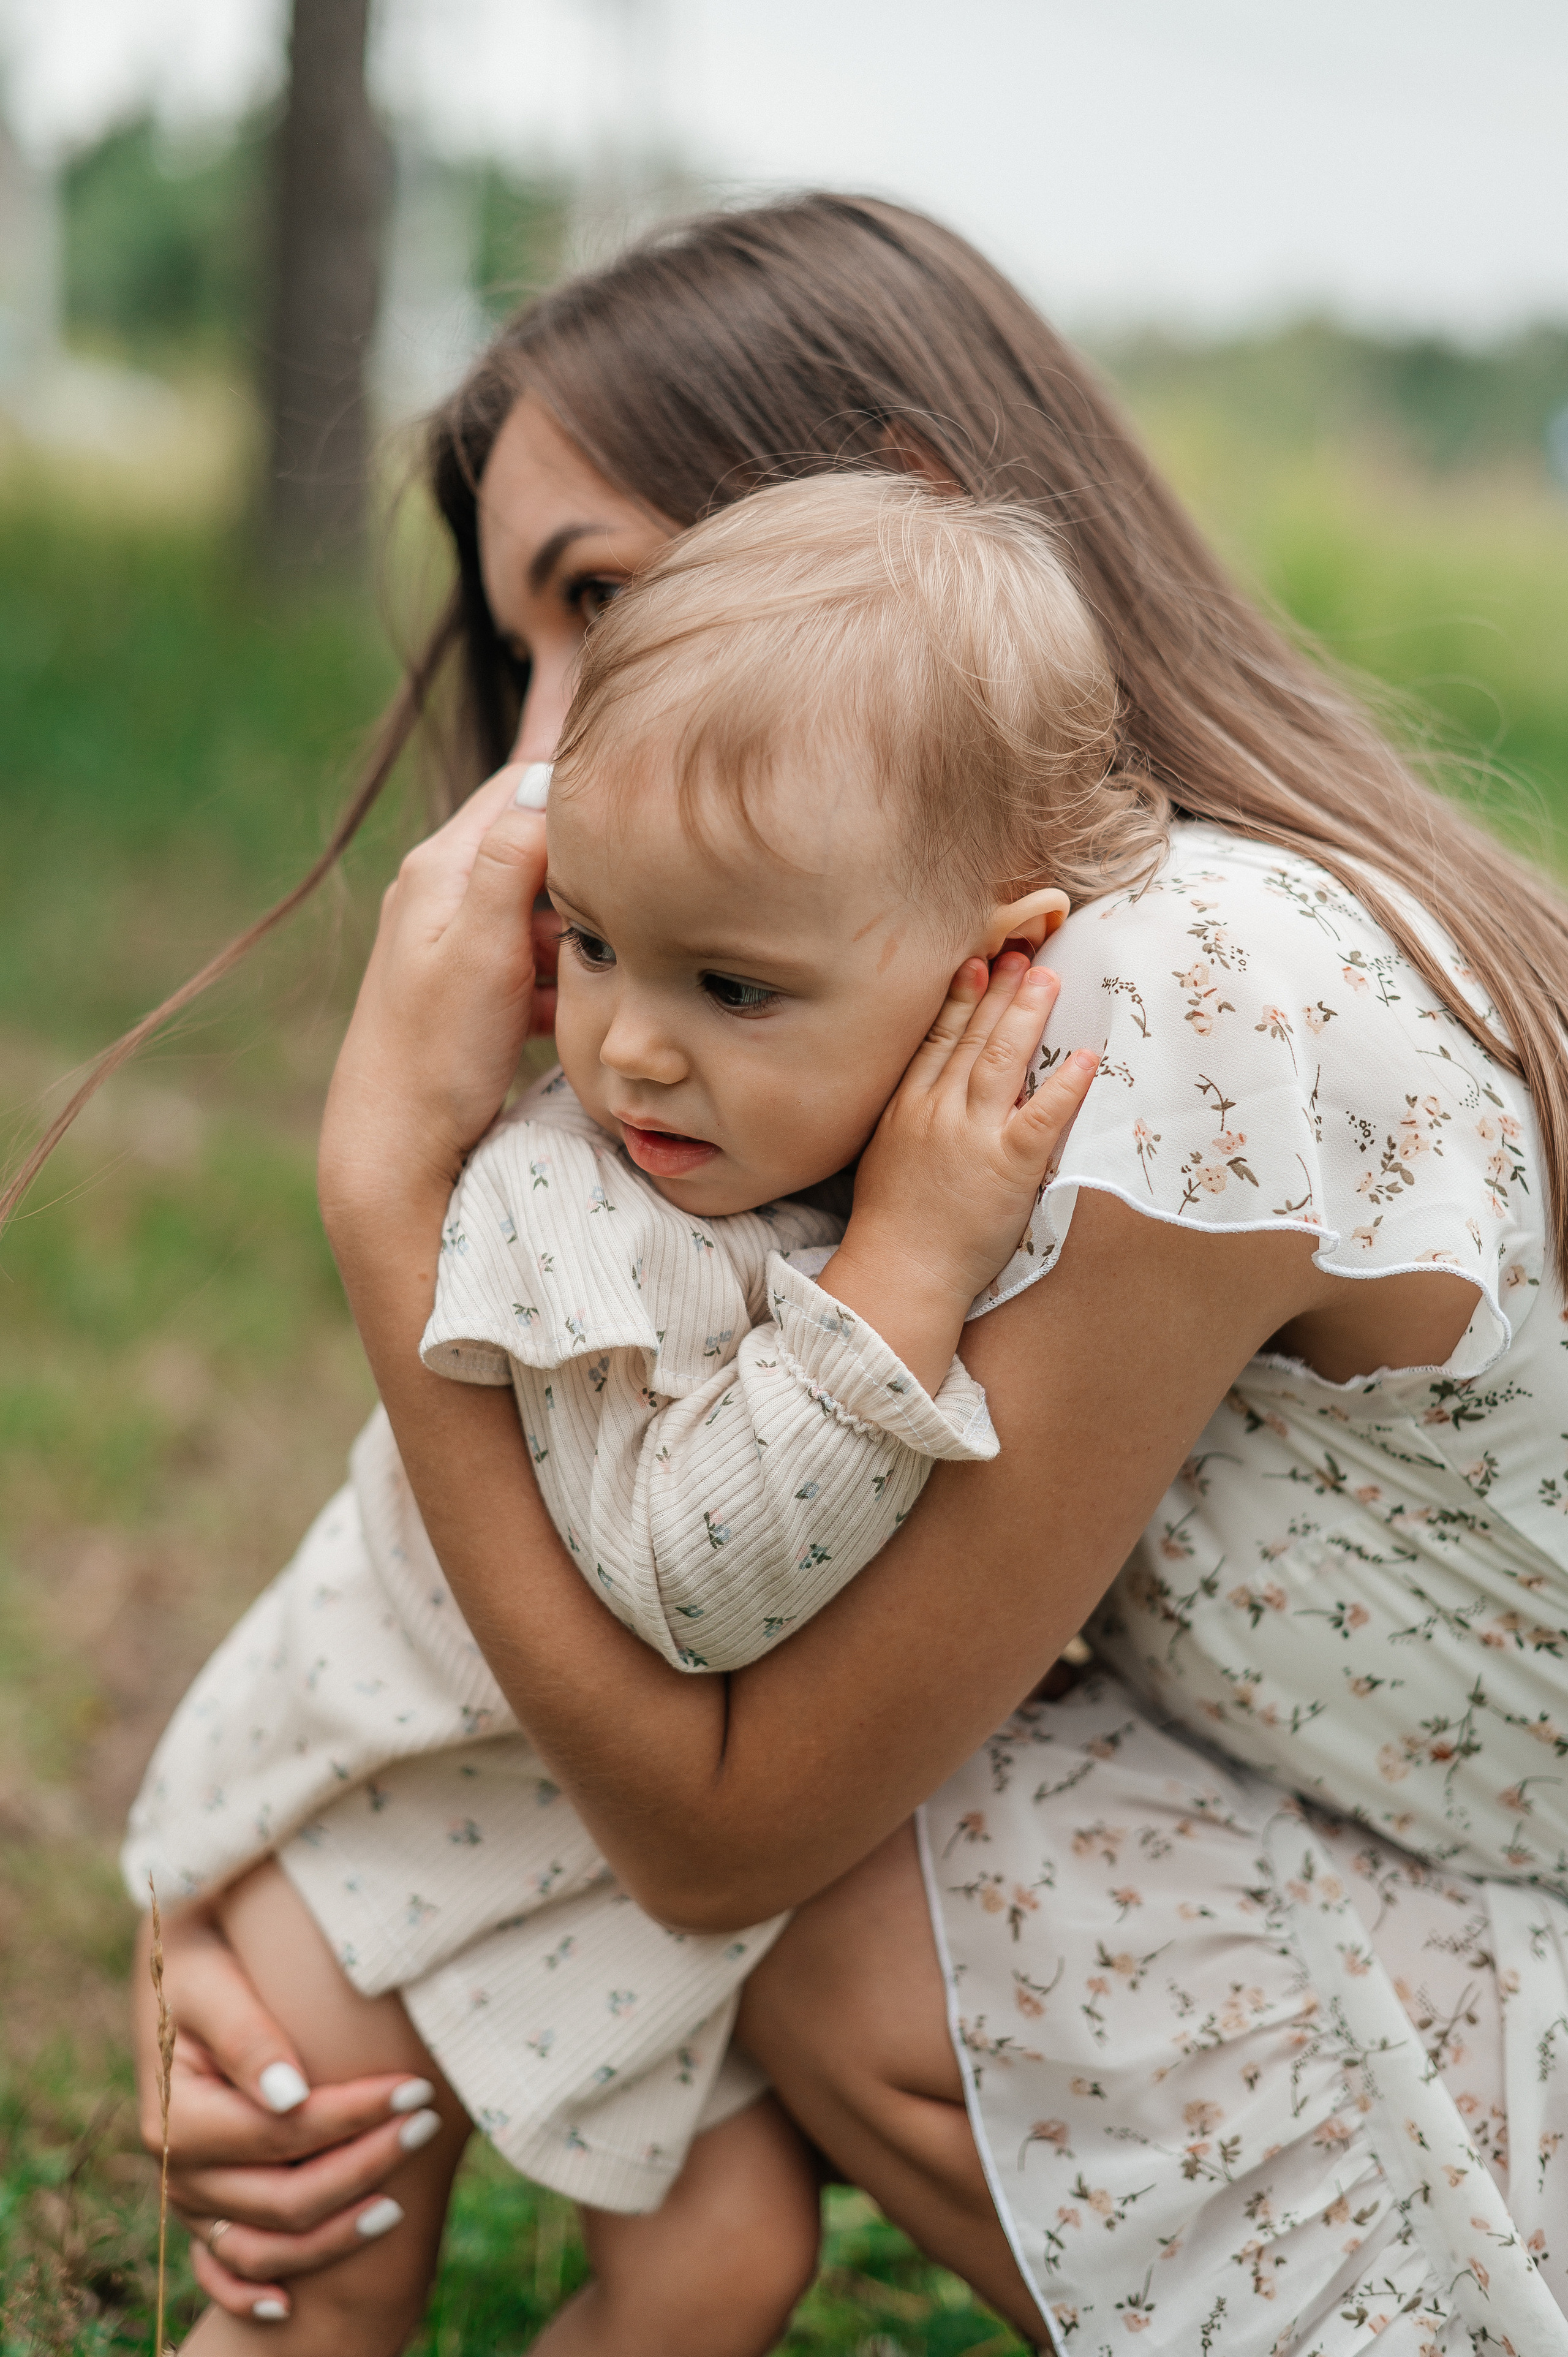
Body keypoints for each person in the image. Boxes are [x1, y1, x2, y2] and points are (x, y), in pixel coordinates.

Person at [95, 192, 1568, 2354]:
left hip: (1507, 1952)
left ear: (892, 542)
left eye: (613, 603)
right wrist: (250, 1904)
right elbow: (588, 1492)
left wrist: (387, 1207)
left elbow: (719, 1825)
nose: (536, 767)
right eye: (532, 660)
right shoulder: (945, 1007)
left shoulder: (1165, 1011)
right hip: (1414, 1844)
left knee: (840, 1877)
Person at [121, 475, 1104, 2353]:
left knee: (725, 2267)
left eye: (733, 983)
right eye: (589, 945)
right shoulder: (569, 1207)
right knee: (325, 2286)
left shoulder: (883, 1157)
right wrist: (901, 1270)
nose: (633, 1044)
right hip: (398, 1831)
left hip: (631, 1887)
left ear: (990, 969)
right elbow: (690, 1581)